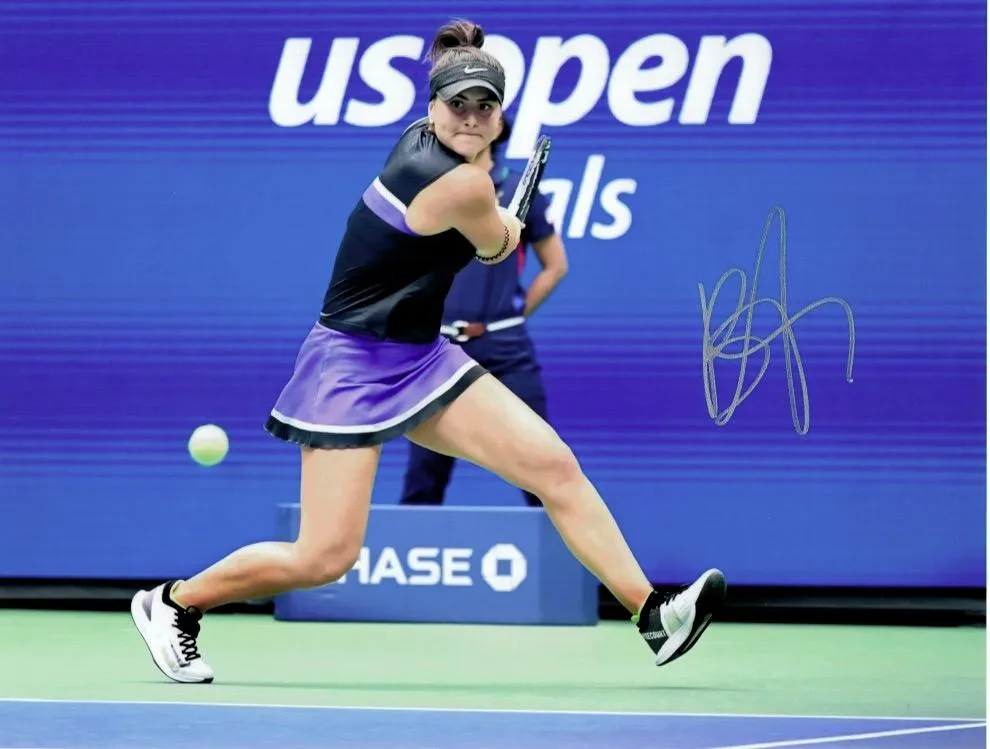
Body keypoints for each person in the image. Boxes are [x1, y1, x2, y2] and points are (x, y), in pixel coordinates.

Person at [129, 19, 726, 685]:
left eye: (484, 105)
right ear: (431, 110)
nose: (470, 117)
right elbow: (499, 247)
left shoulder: (435, 147)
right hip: (350, 365)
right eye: (457, 104)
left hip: (419, 357)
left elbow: (493, 224)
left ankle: (651, 610)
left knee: (553, 464)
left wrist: (501, 205)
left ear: (501, 117)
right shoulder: (458, 183)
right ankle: (173, 602)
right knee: (325, 555)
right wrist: (507, 223)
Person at [399, 115, 564, 508]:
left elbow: (556, 265)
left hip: (506, 348)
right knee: (424, 479)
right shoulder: (431, 191)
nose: (470, 124)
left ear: (498, 130)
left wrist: (514, 313)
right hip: (438, 352)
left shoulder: (520, 193)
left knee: (543, 467)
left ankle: (571, 568)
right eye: (459, 114)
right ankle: (412, 565)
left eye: (484, 115)